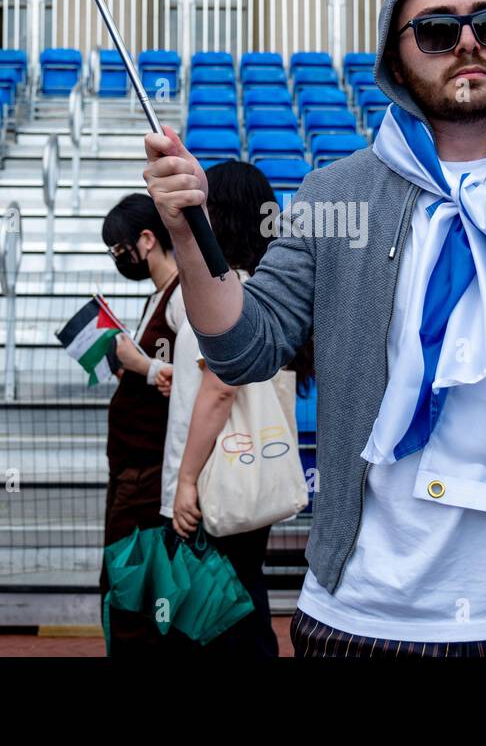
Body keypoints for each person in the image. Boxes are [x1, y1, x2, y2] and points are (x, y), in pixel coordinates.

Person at [145, 0, 486, 657]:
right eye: (435, 30)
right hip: (370, 619)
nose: (467, 42)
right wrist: (186, 231)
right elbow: (244, 348)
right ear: (396, 59)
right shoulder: (335, 198)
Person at [164, 161, 314, 657]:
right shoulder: (267, 291)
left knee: (221, 610)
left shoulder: (231, 295)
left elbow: (221, 389)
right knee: (242, 592)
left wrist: (186, 481)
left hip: (218, 472)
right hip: (249, 461)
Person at [99, 193, 179, 654]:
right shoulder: (158, 296)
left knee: (133, 589)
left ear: (146, 240)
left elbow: (195, 375)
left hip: (149, 470)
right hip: (132, 465)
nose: (118, 259)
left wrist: (143, 366)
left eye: (118, 249)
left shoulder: (183, 295)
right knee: (124, 584)